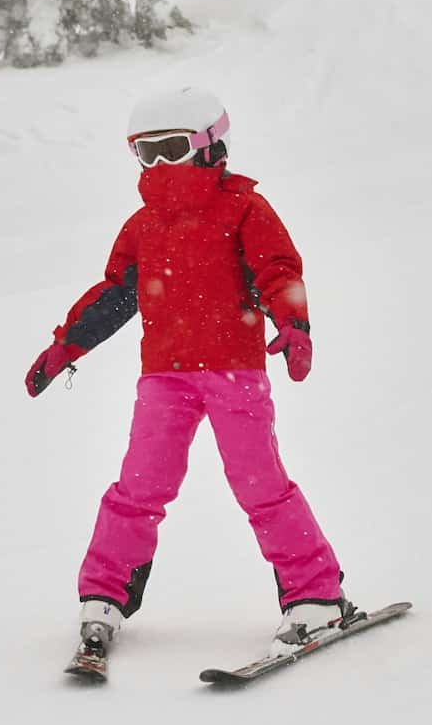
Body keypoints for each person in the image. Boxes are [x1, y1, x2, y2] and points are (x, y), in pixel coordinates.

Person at [25, 86, 356, 682]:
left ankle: (316, 596)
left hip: (235, 373)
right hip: (164, 380)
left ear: (208, 145)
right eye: (144, 152)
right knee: (138, 489)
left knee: (261, 487)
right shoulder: (143, 225)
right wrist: (66, 345)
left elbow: (278, 270)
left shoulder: (244, 210)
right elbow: (116, 295)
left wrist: (294, 324)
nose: (157, 165)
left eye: (170, 148)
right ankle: (103, 598)